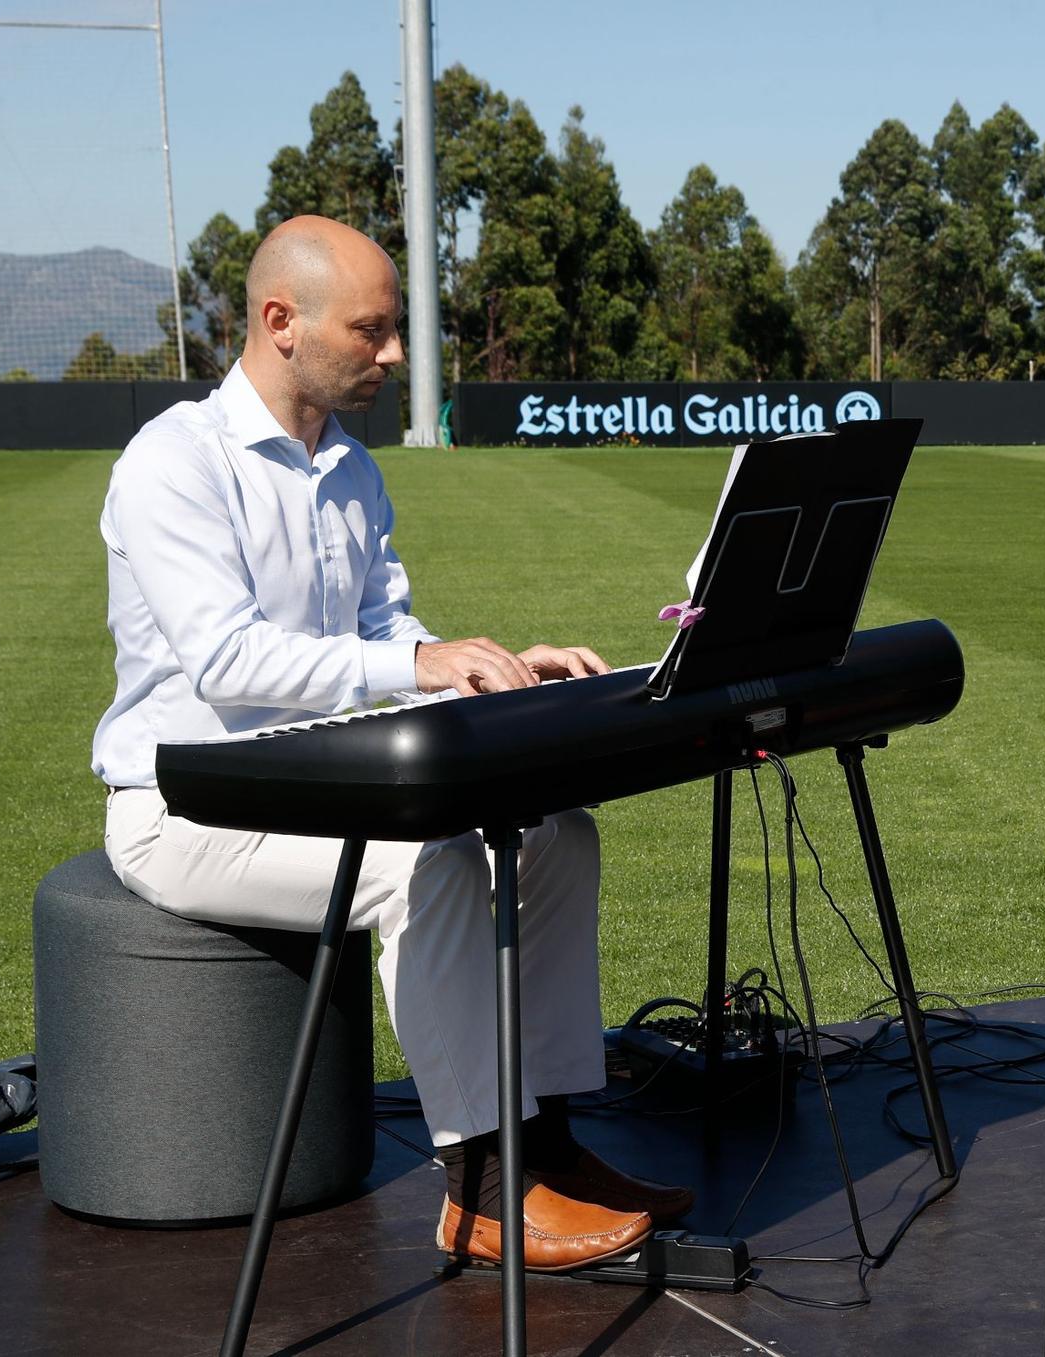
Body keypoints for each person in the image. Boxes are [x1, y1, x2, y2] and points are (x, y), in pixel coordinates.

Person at [92, 215, 691, 1271]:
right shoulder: (173, 462)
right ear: (281, 323)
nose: (396, 354)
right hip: (185, 807)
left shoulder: (351, 470)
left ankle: (547, 1142)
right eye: (372, 330)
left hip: (326, 778)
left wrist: (492, 663)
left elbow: (386, 635)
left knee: (557, 833)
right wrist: (415, 667)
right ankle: (481, 1187)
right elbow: (226, 661)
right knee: (429, 868)